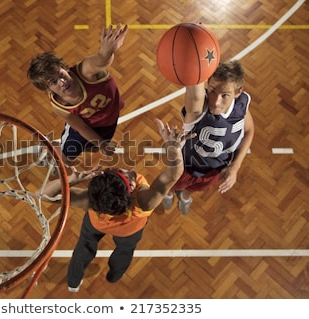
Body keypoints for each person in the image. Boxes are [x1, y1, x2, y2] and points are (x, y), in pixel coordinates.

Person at [37, 118, 194, 292]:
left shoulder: (90, 200)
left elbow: (42, 194)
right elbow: (172, 176)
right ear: (131, 190)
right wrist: (173, 148)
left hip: (95, 223)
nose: (125, 169)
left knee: (83, 247)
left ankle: (73, 281)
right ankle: (115, 275)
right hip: (130, 232)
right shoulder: (144, 201)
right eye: (124, 174)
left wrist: (71, 179)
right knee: (124, 252)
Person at [27, 23, 128, 165]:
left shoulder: (85, 72)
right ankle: (52, 150)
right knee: (68, 159)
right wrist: (101, 144)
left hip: (107, 119)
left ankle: (57, 146)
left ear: (65, 68)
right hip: (85, 125)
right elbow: (81, 128)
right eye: (53, 82)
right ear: (48, 89)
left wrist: (107, 51)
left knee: (92, 148)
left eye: (61, 74)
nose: (62, 82)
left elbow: (100, 60)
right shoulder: (60, 105)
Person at [162, 60, 255, 215]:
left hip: (214, 170)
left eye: (225, 95)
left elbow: (249, 131)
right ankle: (169, 194)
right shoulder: (198, 108)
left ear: (238, 92)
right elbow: (194, 88)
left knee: (193, 189)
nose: (216, 102)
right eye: (212, 91)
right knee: (169, 185)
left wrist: (235, 166)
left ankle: (185, 196)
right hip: (184, 167)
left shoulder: (242, 104)